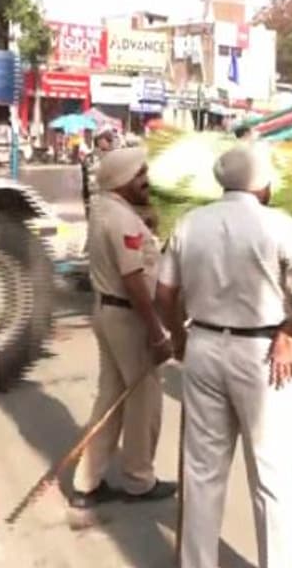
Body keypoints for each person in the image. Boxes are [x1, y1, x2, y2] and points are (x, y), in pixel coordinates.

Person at [155, 142, 292, 568]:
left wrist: (179, 339)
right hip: (262, 352)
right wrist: (290, 330)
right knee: (271, 472)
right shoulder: (275, 223)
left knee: (202, 472)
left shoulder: (190, 222)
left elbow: (164, 293)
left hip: (202, 344)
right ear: (262, 184)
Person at [69, 146, 177, 508]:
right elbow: (134, 281)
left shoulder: (104, 209)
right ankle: (139, 480)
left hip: (107, 312)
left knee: (110, 401)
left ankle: (87, 482)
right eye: (140, 175)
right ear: (122, 180)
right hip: (129, 317)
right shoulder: (123, 220)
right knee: (143, 401)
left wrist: (145, 225)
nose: (146, 181)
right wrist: (156, 331)